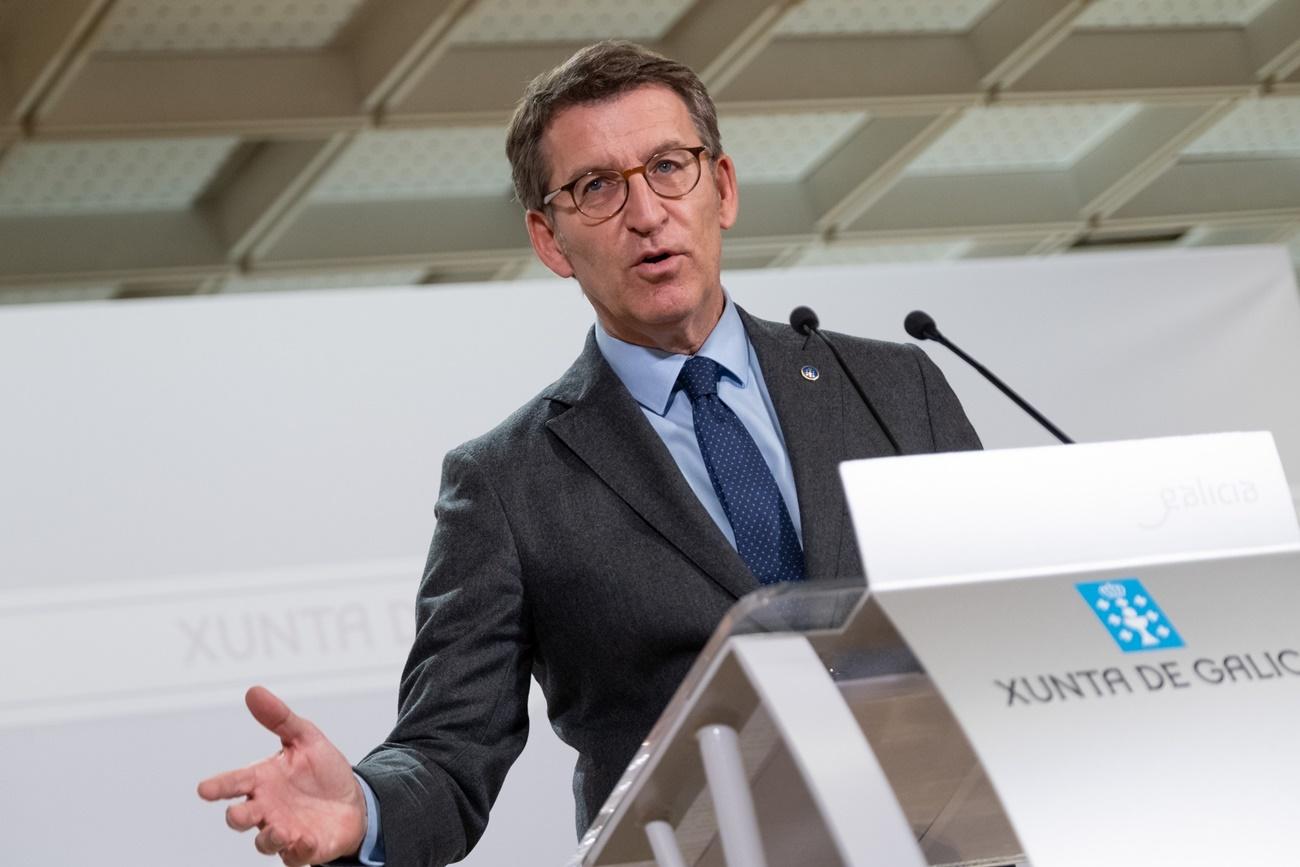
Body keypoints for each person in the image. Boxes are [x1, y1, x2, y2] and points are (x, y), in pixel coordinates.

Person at [197, 40, 980, 867]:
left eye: (669, 166)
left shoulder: (894, 388)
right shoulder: (504, 483)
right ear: (549, 237)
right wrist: (365, 804)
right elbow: (448, 745)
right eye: (597, 187)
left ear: (723, 187)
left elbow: (1005, 611)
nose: (646, 212)